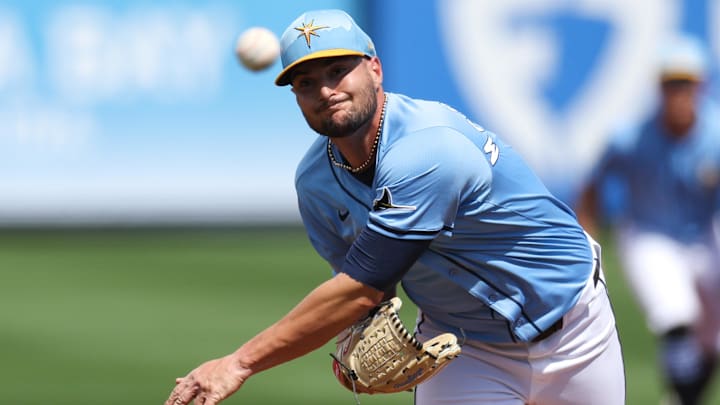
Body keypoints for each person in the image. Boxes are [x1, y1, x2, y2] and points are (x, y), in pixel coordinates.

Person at [165, 9, 625, 405]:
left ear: (376, 70)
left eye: (337, 70)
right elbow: (361, 294)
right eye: (306, 83)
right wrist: (356, 340)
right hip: (467, 351)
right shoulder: (315, 184)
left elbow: (362, 287)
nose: (325, 90)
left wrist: (239, 363)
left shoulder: (429, 148)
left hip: (573, 327)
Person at [575, 34, 720, 405]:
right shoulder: (631, 136)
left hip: (704, 236)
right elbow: (593, 182)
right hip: (649, 235)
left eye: (685, 83)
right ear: (659, 88)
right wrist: (584, 234)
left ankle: (684, 397)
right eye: (671, 83)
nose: (678, 92)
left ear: (700, 86)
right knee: (676, 317)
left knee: (711, 339)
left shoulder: (715, 134)